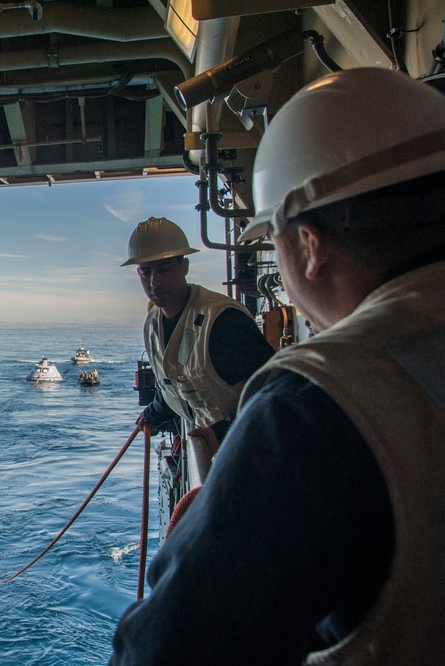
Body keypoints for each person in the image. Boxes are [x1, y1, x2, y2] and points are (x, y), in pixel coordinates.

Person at [110, 68, 445, 664]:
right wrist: (156, 412)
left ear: (310, 245)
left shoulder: (314, 403)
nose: (154, 280)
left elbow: (170, 646)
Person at [121, 217, 274, 454]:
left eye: (164, 269)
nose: (154, 283)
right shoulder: (153, 325)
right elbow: (171, 382)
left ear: (184, 266)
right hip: (213, 450)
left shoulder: (223, 321)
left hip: (253, 446)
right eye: (145, 272)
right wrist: (153, 414)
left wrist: (224, 431)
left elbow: (274, 390)